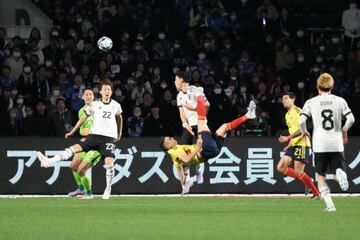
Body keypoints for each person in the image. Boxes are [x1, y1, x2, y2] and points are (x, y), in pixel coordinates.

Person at [37, 79, 123, 200]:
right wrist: (72, 132)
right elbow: (82, 119)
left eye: (109, 89)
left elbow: (119, 117)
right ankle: (49, 162)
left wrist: (119, 132)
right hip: (94, 136)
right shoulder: (94, 105)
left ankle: (107, 188)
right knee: (72, 151)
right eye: (105, 89)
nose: (107, 91)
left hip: (108, 139)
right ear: (101, 92)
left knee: (109, 164)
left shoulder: (116, 105)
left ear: (111, 92)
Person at [161, 90, 256, 194]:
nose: (172, 138)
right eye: (169, 139)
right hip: (204, 149)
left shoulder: (174, 156)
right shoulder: (175, 151)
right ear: (167, 146)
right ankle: (199, 95)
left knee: (225, 127)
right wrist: (198, 147)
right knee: (200, 120)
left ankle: (248, 115)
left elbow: (179, 170)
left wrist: (184, 186)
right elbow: (187, 160)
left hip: (212, 151)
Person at [299, 73, 355, 212]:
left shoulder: (311, 102)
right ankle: (339, 173)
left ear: (318, 87)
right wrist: (343, 129)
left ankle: (330, 205)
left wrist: (304, 131)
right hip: (336, 142)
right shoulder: (340, 100)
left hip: (319, 143)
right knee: (337, 171)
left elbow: (301, 121)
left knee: (320, 176)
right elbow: (351, 119)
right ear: (332, 86)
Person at [277, 92, 320, 199]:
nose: (284, 101)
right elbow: (293, 130)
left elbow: (302, 129)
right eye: (283, 100)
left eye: (286, 99)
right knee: (281, 167)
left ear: (293, 99)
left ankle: (316, 194)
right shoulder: (287, 115)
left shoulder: (298, 111)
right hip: (294, 144)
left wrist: (287, 138)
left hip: (302, 144)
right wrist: (289, 144)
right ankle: (306, 180)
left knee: (298, 171)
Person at [174, 71, 210, 186]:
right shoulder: (179, 95)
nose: (175, 82)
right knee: (185, 152)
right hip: (188, 127)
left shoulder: (196, 90)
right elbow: (181, 112)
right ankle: (187, 177)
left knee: (198, 152)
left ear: (181, 80)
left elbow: (207, 105)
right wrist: (185, 124)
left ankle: (199, 172)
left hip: (199, 124)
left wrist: (195, 108)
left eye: (176, 80)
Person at [67, 88, 101, 200]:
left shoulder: (99, 108)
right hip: (86, 142)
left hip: (97, 143)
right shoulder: (81, 111)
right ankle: (80, 189)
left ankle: (89, 192)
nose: (88, 96)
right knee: (73, 166)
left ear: (94, 97)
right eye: (86, 94)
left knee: (81, 169)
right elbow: (82, 130)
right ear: (82, 97)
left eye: (90, 94)